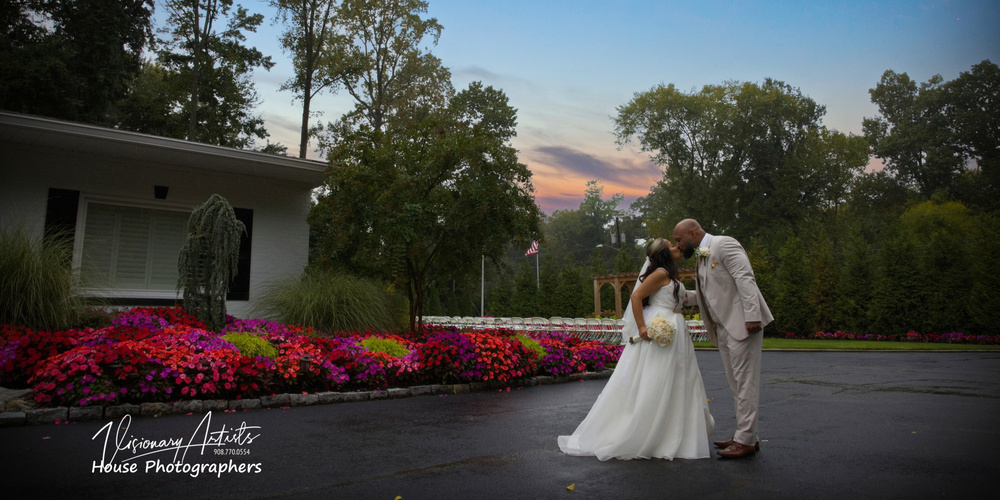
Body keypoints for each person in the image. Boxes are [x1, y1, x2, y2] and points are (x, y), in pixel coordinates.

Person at [558, 238, 714, 461]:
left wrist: (709, 292)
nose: (676, 247)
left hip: (675, 328)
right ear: (663, 254)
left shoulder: (669, 275)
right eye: (671, 245)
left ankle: (672, 431)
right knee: (657, 378)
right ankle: (649, 431)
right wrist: (641, 325)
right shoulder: (660, 273)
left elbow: (684, 298)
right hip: (661, 326)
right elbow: (636, 296)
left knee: (678, 379)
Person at [673, 219, 773, 459]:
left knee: (745, 383)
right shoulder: (701, 256)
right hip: (723, 328)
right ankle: (746, 434)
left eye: (678, 240)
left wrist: (752, 315)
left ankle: (745, 440)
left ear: (692, 233)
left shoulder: (724, 244)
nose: (678, 245)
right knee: (736, 384)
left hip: (742, 325)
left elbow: (745, 278)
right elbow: (712, 293)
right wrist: (675, 295)